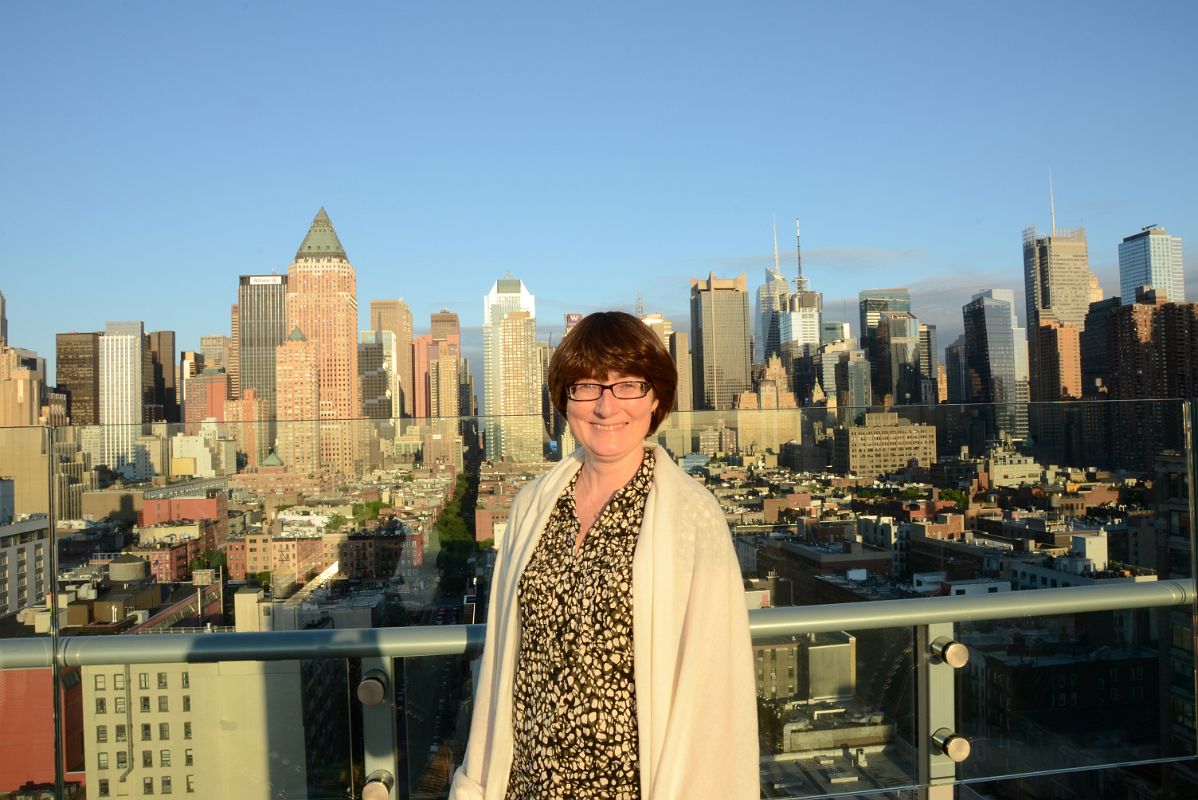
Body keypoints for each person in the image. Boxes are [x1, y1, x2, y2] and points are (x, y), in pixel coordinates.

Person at [449, 310, 757, 800]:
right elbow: (504, 662)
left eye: (628, 384)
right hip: (525, 786)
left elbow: (715, 693)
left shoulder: (694, 519)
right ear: (564, 399)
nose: (606, 406)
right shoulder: (532, 505)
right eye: (587, 385)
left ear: (656, 397)